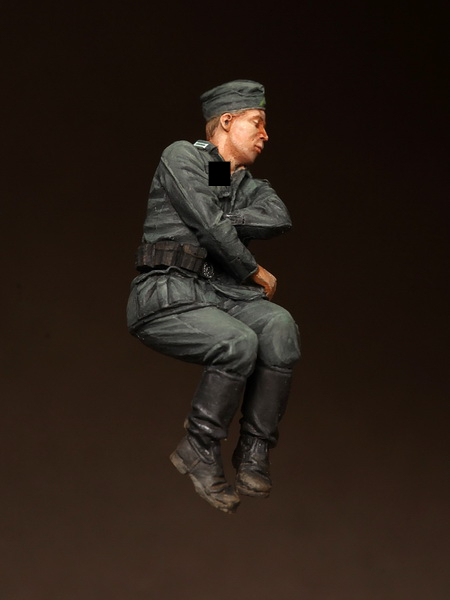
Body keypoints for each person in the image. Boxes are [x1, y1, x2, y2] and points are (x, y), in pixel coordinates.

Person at [127, 80, 300, 514]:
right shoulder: (182, 156)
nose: (265, 135)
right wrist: (251, 268)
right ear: (226, 121)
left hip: (219, 294)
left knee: (280, 327)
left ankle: (254, 448)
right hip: (170, 293)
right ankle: (199, 445)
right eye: (256, 122)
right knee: (237, 342)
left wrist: (225, 216)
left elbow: (277, 217)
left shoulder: (240, 182)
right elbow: (206, 222)